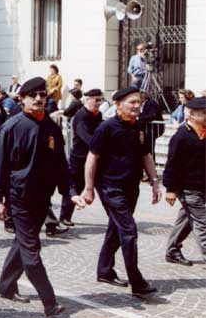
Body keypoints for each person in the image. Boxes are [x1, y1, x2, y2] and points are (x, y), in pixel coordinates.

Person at [0, 77, 78, 318]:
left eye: (42, 95)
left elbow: (60, 164)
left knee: (22, 242)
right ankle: (50, 303)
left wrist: (72, 192)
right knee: (31, 248)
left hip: (42, 198)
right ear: (22, 99)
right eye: (33, 95)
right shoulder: (12, 126)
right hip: (19, 198)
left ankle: (6, 287)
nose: (38, 99)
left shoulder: (50, 126)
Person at [81, 86, 160, 298]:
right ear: (118, 104)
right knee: (129, 231)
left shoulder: (139, 126)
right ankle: (137, 282)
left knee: (116, 228)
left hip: (131, 187)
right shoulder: (106, 128)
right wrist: (89, 189)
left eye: (139, 102)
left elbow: (146, 155)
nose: (137, 106)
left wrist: (154, 182)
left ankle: (105, 270)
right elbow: (92, 158)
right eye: (132, 102)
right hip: (110, 187)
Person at [163, 97, 206, 266]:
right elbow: (172, 164)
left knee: (187, 220)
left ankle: (172, 251)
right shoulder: (181, 136)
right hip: (188, 188)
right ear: (191, 115)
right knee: (203, 223)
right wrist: (170, 189)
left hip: (202, 185)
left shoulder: (204, 133)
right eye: (204, 113)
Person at [59, 88, 103, 226]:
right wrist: (100, 147)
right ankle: (65, 216)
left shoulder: (98, 114)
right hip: (80, 157)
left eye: (100, 100)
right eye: (96, 100)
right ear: (87, 100)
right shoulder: (81, 116)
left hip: (95, 157)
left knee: (103, 186)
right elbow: (85, 136)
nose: (98, 103)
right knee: (75, 187)